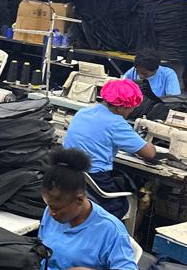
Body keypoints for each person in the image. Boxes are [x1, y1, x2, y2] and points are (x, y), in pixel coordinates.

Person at [62, 78, 155, 218]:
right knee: (126, 202)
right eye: (131, 108)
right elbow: (149, 154)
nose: (132, 111)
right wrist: (151, 144)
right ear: (120, 108)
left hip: (70, 178)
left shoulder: (83, 112)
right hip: (95, 181)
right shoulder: (116, 123)